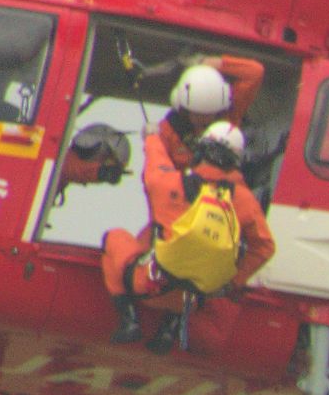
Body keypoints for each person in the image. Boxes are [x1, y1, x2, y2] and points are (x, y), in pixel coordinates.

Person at [102, 62, 272, 349]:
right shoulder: (243, 200)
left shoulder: (171, 182)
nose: (203, 123)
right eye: (198, 116)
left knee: (118, 242)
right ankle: (172, 325)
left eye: (209, 118)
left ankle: (130, 319)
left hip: (171, 225)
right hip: (198, 288)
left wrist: (211, 63)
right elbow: (265, 247)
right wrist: (232, 283)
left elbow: (154, 173)